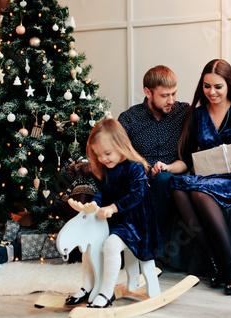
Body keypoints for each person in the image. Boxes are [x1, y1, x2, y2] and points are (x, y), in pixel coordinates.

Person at [168, 59, 231, 295]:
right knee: (176, 187)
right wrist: (165, 167)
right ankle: (213, 259)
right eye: (207, 86)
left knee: (198, 192)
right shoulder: (197, 116)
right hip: (212, 177)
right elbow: (187, 160)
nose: (212, 92)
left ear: (229, 86)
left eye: (218, 87)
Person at [64, 118, 162, 308]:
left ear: (121, 145)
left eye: (107, 153)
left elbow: (137, 195)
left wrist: (113, 207)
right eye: (98, 155)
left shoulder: (135, 167)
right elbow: (103, 192)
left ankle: (107, 292)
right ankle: (87, 285)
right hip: (115, 222)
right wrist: (94, 204)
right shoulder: (108, 168)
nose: (103, 159)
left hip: (136, 224)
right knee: (89, 241)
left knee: (110, 245)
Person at [118, 65, 189, 230]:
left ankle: (148, 236)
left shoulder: (184, 112)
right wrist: (138, 177)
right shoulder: (129, 118)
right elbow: (118, 154)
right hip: (143, 185)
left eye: (173, 93)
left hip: (175, 179)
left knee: (165, 178)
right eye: (164, 95)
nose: (171, 100)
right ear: (148, 92)